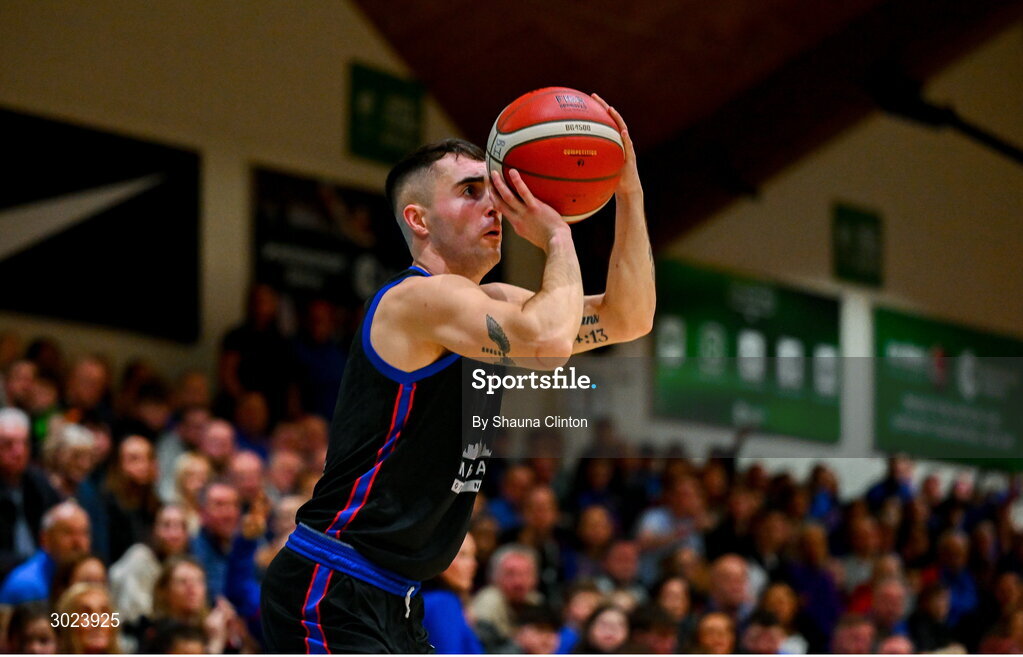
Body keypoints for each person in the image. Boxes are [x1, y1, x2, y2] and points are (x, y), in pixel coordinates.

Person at [260, 95, 654, 653]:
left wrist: (627, 191)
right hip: (333, 582)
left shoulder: (486, 305)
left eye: (494, 193)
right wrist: (559, 237)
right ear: (418, 219)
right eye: (472, 192)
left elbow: (628, 317)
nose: (493, 207)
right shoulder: (415, 299)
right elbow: (548, 343)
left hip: (397, 596)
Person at [0, 407, 61, 578]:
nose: (18, 452)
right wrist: (27, 565)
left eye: (24, 443)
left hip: (41, 573)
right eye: (8, 444)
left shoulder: (38, 482)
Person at [0, 500, 91, 604]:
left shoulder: (86, 577)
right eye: (68, 533)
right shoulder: (28, 585)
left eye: (84, 533)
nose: (78, 542)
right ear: (45, 539)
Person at [421, 533, 483, 654]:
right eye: (463, 555)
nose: (473, 564)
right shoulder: (442, 603)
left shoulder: (431, 600)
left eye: (473, 556)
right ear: (439, 557)